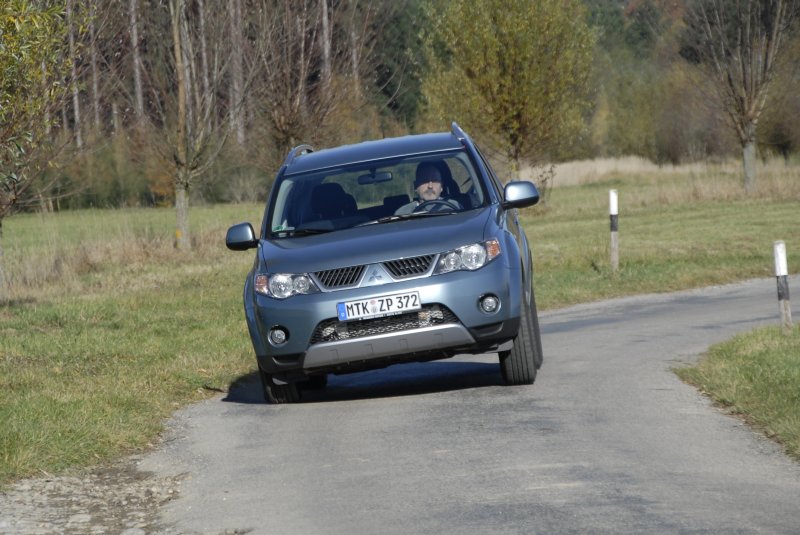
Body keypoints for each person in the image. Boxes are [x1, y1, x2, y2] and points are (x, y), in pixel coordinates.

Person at [395, 161, 462, 215]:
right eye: (425, 181)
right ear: (416, 186)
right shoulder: (403, 213)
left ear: (441, 187)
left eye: (435, 180)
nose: (430, 186)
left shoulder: (455, 207)